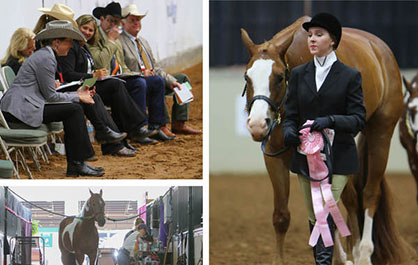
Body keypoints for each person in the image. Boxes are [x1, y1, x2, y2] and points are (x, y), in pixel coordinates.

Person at [282, 13, 366, 265]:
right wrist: (288, 131)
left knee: (326, 210)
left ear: (333, 40)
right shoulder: (298, 75)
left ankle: (322, 262)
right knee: (313, 214)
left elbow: (358, 119)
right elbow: (291, 114)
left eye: (319, 35)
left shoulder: (350, 76)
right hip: (305, 157)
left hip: (338, 156)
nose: (312, 39)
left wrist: (330, 121)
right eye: (310, 35)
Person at [0, 20, 104, 177]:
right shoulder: (46, 58)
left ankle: (78, 162)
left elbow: (47, 92)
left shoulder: (46, 55)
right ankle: (77, 163)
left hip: (24, 105)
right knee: (74, 109)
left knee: (74, 108)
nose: (71, 46)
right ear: (57, 42)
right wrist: (77, 95)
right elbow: (52, 96)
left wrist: (77, 95)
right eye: (69, 41)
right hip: (19, 110)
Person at [57, 14, 158, 151]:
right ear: (77, 27)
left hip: (88, 83)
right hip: (78, 86)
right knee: (115, 86)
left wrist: (98, 75)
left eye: (90, 30)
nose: (87, 32)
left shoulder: (84, 47)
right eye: (84, 28)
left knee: (118, 87)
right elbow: (68, 74)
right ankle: (133, 129)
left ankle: (124, 137)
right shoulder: (72, 46)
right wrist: (93, 75)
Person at [89, 2, 174, 143]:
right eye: (110, 20)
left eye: (116, 22)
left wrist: (135, 74)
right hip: (103, 81)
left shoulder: (118, 39)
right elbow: (100, 64)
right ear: (102, 19)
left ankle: (156, 126)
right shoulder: (100, 38)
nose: (112, 25)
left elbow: (122, 67)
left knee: (156, 80)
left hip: (119, 78)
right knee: (139, 84)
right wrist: (110, 41)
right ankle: (139, 128)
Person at [120, 4, 202, 135]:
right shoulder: (119, 42)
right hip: (137, 82)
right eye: (132, 20)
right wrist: (142, 74)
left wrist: (172, 81)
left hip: (152, 77)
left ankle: (179, 122)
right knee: (157, 81)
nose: (136, 23)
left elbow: (156, 67)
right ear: (123, 24)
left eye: (138, 20)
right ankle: (162, 124)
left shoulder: (143, 42)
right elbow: (121, 69)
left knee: (183, 80)